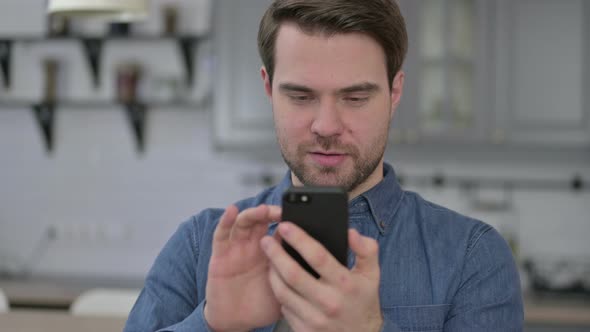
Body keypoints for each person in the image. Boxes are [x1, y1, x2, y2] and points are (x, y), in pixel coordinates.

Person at [124, 0, 524, 331]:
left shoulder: (473, 256)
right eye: (300, 96)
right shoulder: (201, 245)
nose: (327, 126)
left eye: (355, 98)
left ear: (394, 92)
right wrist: (211, 324)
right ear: (268, 89)